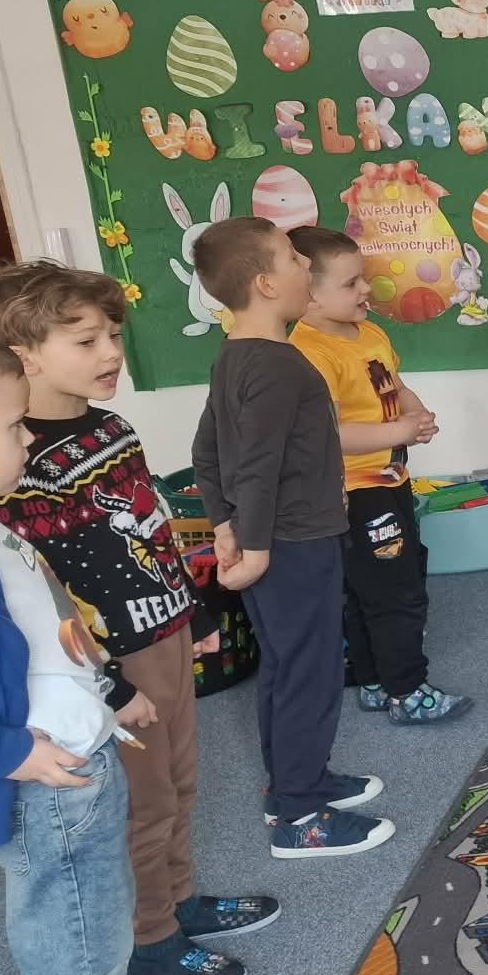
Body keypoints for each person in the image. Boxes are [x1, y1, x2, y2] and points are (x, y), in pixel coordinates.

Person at [0, 262, 274, 975]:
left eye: (113, 334)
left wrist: (193, 610)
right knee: (143, 803)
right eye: (86, 341)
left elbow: (152, 528)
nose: (112, 352)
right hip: (110, 662)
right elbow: (45, 598)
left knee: (179, 783)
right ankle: (149, 936)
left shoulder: (112, 428)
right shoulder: (16, 462)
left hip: (164, 632)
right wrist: (109, 685)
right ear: (24, 356)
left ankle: (178, 900)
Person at [0, 340, 225, 975]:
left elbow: (52, 623)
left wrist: (110, 691)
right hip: (42, 780)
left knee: (103, 931)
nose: (27, 439)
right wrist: (3, 749)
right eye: (10, 425)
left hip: (81, 755)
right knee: (75, 948)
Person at [192, 218, 394, 858]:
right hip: (294, 543)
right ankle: (302, 817)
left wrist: (226, 527)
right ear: (266, 283)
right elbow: (256, 465)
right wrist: (251, 546)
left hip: (275, 539)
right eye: (292, 258)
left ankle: (294, 785)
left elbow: (207, 453)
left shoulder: (233, 356)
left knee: (285, 666)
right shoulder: (279, 365)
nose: (306, 265)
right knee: (309, 672)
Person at [288, 226, 471, 725]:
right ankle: (406, 691)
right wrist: (398, 430)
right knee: (393, 590)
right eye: (351, 284)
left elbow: (395, 384)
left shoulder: (370, 333)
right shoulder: (308, 352)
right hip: (354, 491)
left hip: (391, 478)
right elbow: (326, 434)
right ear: (308, 296)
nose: (366, 289)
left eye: (363, 278)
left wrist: (415, 413)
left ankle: (374, 680)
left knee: (386, 578)